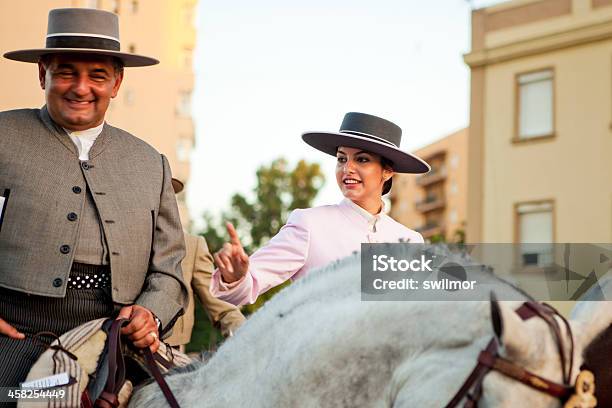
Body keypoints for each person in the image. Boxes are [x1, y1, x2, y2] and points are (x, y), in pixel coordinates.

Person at [0, 8, 187, 389]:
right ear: (42, 74)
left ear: (116, 83)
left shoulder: (152, 164)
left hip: (117, 345)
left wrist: (151, 312)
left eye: (97, 76)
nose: (81, 88)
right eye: (66, 71)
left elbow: (169, 270)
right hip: (14, 340)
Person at [211, 112, 430, 306]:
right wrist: (234, 277)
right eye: (341, 159)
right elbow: (249, 283)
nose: (347, 168)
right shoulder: (310, 225)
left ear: (387, 171)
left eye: (362, 159)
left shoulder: (410, 241)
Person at [165, 179, 245, 351]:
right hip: (115, 355)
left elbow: (223, 309)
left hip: (168, 361)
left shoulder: (192, 246)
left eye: (167, 193)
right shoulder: (117, 244)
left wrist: (250, 337)